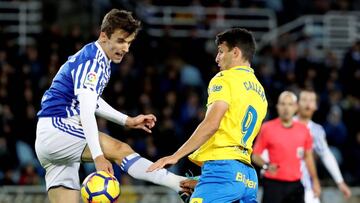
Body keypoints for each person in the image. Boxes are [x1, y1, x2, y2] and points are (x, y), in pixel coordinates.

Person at [35, 9, 185, 203]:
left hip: (54, 141)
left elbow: (92, 100)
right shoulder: (93, 63)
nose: (126, 49)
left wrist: (127, 120)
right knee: (120, 149)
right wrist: (98, 156)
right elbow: (87, 111)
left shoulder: (96, 58)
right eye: (121, 41)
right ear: (104, 36)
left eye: (129, 43)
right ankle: (180, 184)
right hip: (59, 129)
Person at [148, 28, 268, 203]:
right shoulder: (260, 92)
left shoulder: (224, 78)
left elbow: (212, 124)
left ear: (235, 52)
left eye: (220, 52)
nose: (217, 58)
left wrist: (175, 156)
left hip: (222, 168)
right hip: (248, 176)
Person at [252, 91, 321, 203]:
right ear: (278, 107)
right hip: (273, 185)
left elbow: (308, 157)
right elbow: (255, 155)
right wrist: (266, 165)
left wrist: (315, 181)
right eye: (283, 104)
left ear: (296, 107)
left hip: (296, 185)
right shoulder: (267, 128)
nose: (286, 108)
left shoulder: (304, 130)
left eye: (290, 104)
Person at [295, 89, 351, 203]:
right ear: (297, 104)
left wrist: (340, 182)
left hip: (307, 186)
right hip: (283, 183)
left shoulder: (317, 130)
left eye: (311, 100)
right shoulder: (285, 125)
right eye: (304, 100)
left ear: (316, 106)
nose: (307, 104)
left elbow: (326, 155)